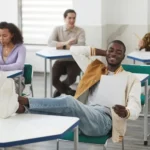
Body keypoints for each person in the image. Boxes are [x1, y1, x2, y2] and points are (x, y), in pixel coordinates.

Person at [17, 40, 141, 143]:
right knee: (60, 111)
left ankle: (26, 101)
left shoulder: (131, 78)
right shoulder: (95, 68)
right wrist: (106, 53)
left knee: (69, 102)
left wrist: (126, 112)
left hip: (105, 120)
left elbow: (135, 107)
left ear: (123, 56)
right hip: (85, 112)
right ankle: (23, 109)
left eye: (118, 52)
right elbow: (75, 51)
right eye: (111, 50)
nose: (114, 54)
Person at [48, 9, 85, 97]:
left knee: (71, 79)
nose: (72, 20)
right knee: (52, 79)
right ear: (65, 19)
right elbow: (50, 43)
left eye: (74, 18)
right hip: (60, 60)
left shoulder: (80, 31)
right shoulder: (58, 29)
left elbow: (81, 45)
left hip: (74, 60)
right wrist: (66, 43)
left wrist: (60, 46)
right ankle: (69, 91)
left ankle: (59, 90)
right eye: (69, 18)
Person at [0, 22, 26, 94]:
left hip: (16, 80)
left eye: (4, 36)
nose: (1, 39)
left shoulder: (21, 48)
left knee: (6, 92)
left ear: (12, 35)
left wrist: (1, 67)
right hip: (1, 79)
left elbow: (19, 65)